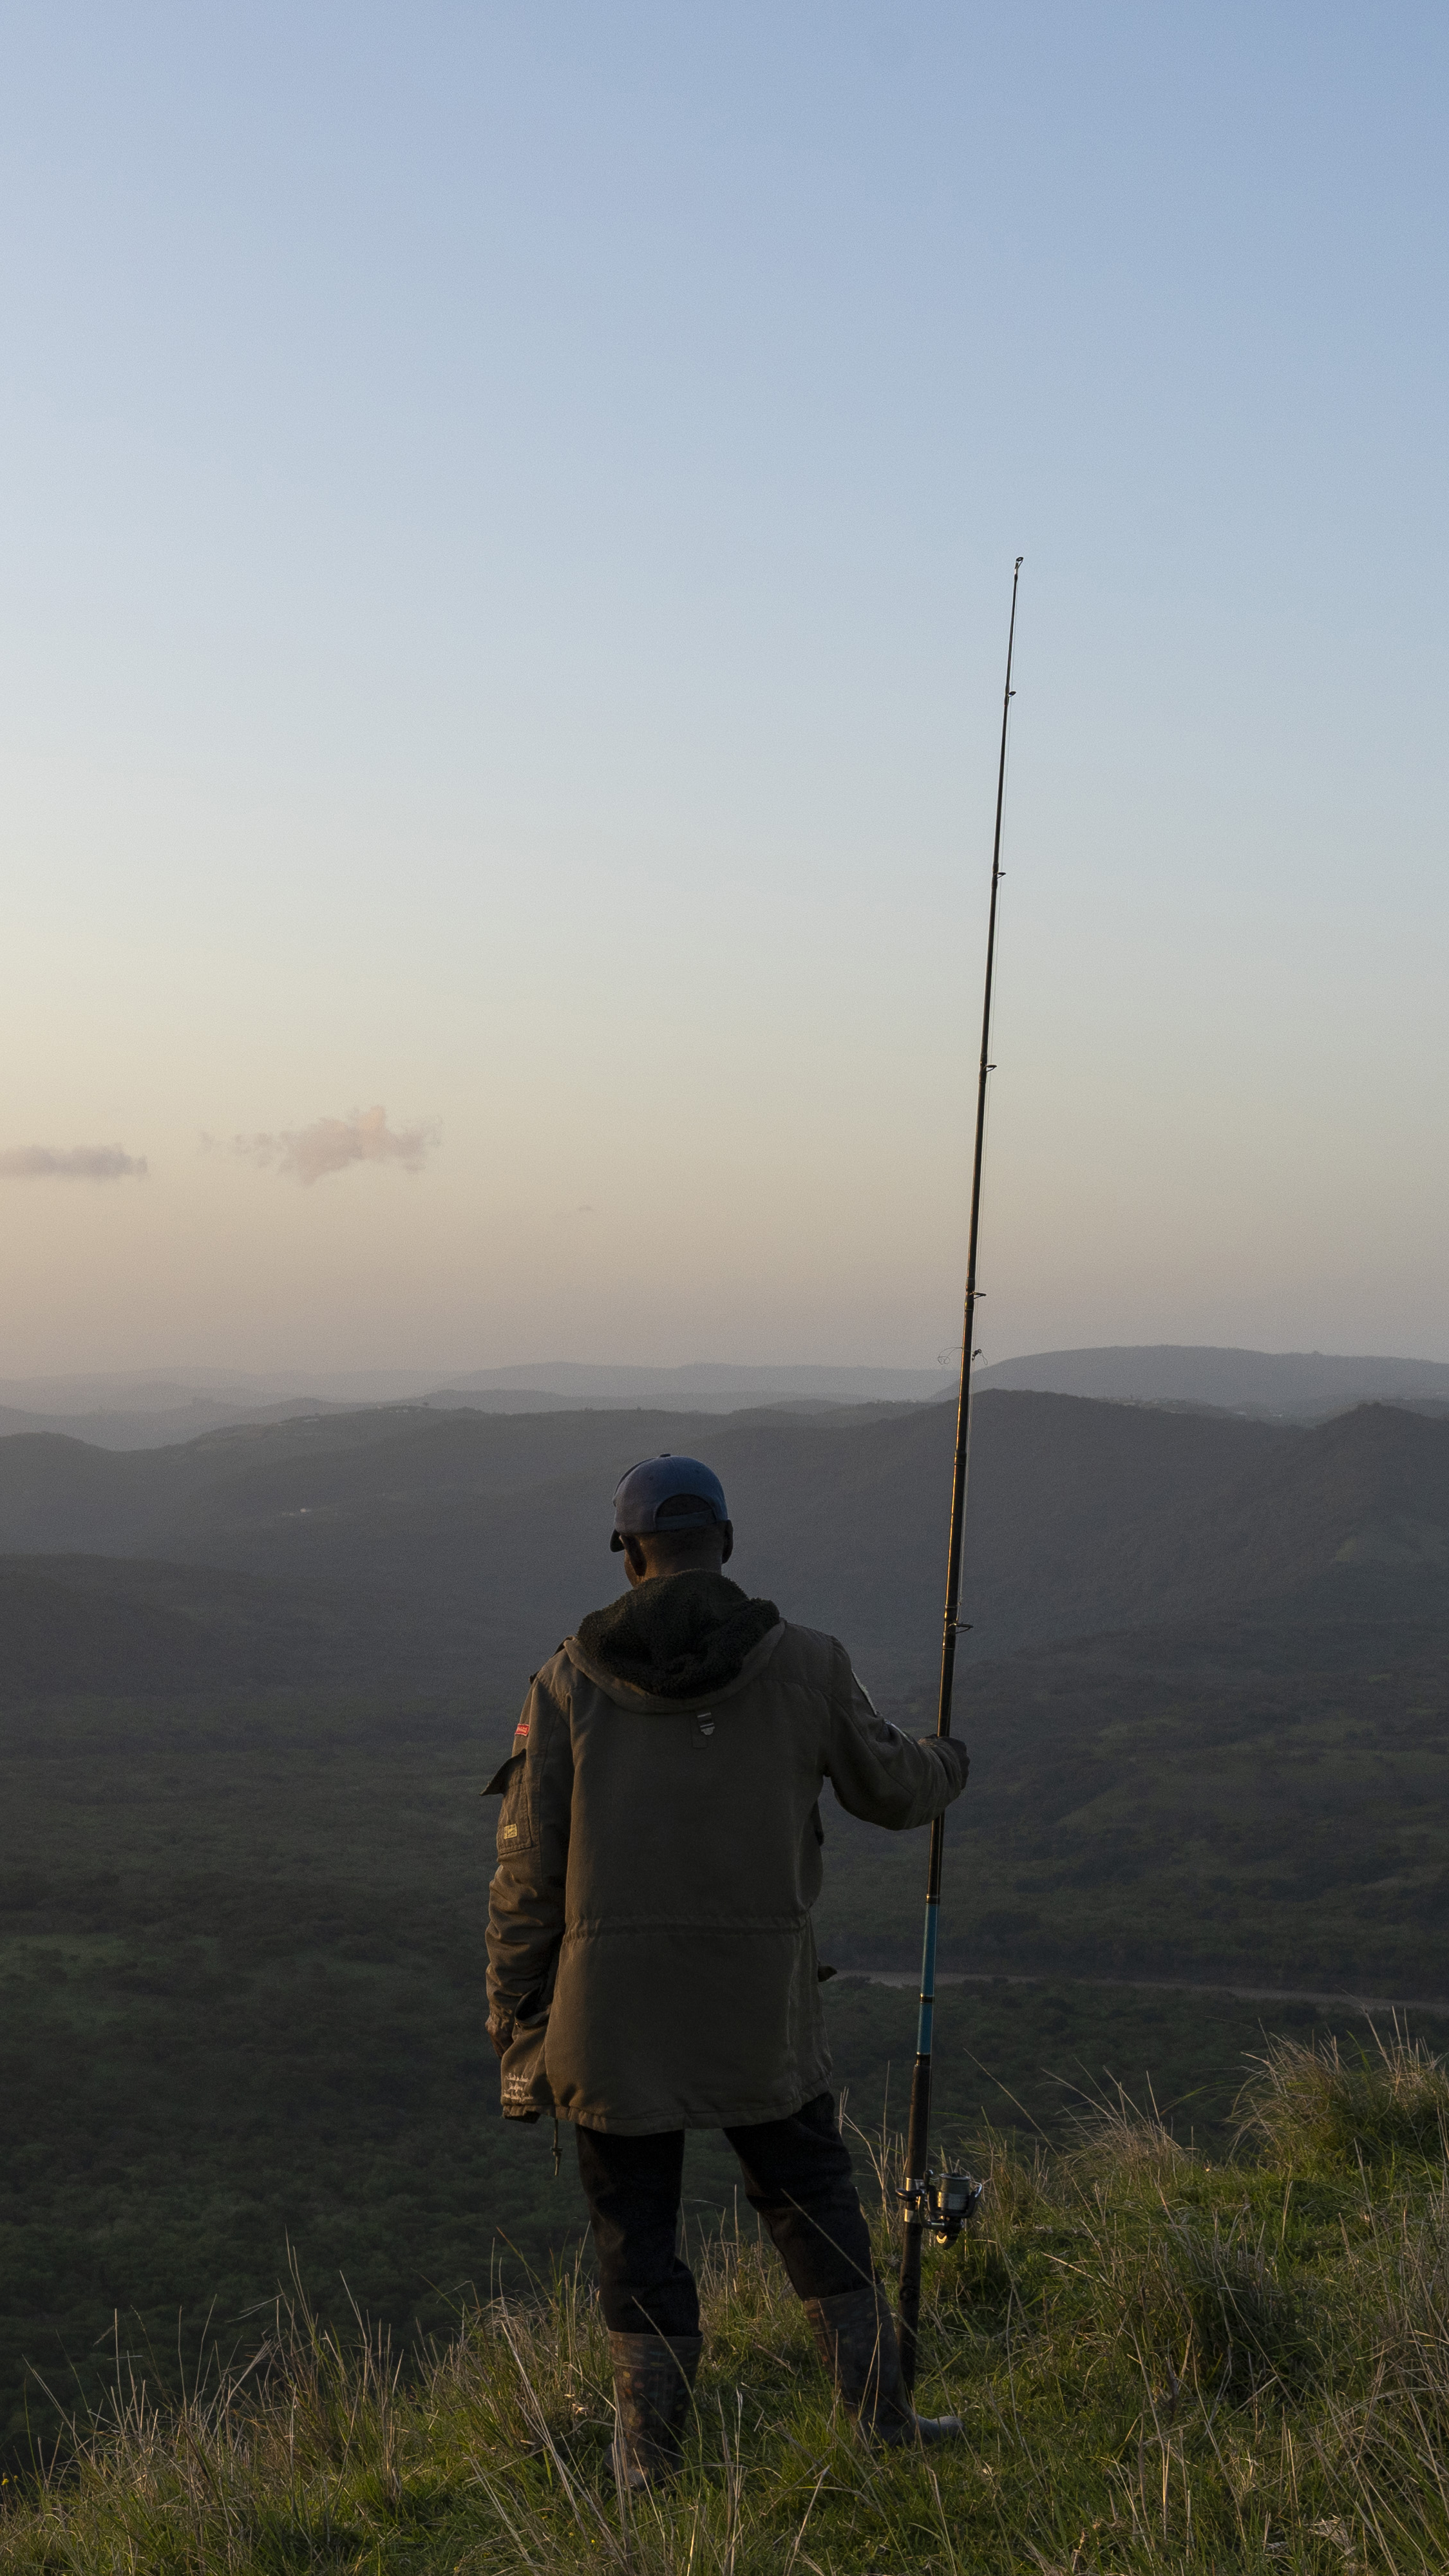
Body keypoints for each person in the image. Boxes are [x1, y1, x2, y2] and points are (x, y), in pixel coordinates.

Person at [485, 1450, 969, 2487]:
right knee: (810, 2197)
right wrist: (949, 1761)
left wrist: (515, 2025)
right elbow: (892, 1790)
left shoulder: (565, 1683)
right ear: (727, 1546)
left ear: (629, 1558)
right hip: (761, 2006)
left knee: (636, 2228)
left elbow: (525, 1875)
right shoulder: (808, 1664)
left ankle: (646, 2462)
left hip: (610, 2019)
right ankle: (878, 2419)